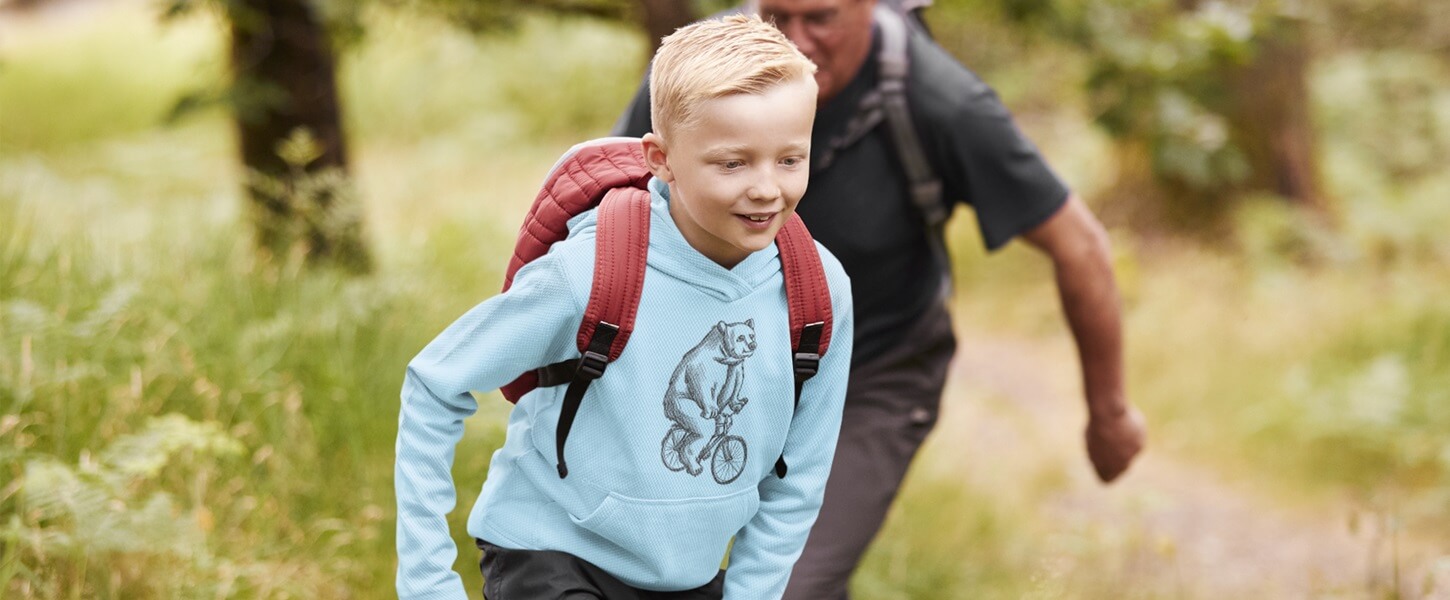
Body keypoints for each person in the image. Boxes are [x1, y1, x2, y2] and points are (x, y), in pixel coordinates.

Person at [612, 1, 1148, 598]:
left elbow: (1081, 246)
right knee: (638, 564)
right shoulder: (703, 71)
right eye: (776, 16)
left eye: (820, 18)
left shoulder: (939, 101)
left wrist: (1109, 413)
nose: (796, 40)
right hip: (721, 359)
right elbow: (603, 193)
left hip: (873, 371)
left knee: (791, 584)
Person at [395, 14, 856, 600]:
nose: (767, 187)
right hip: (554, 554)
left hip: (688, 577)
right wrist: (426, 582)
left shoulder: (819, 292)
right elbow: (434, 384)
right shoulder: (590, 271)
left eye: (790, 159)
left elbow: (801, 479)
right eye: (733, 163)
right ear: (660, 158)